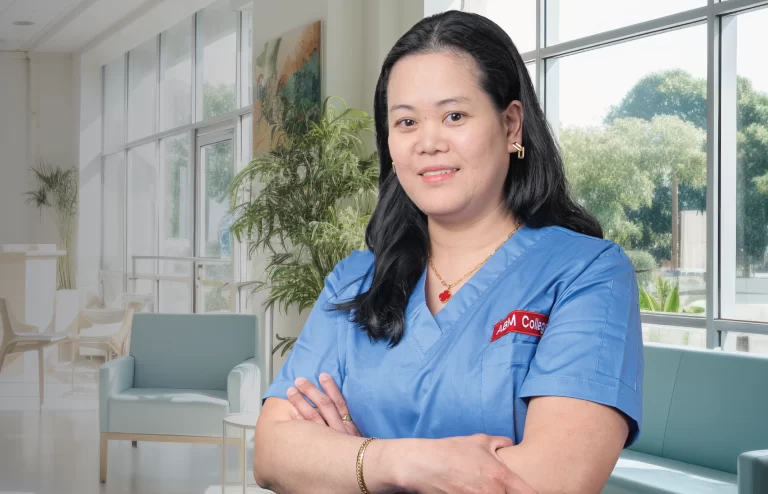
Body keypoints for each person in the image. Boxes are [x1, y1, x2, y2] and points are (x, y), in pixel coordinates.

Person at [253, 10, 643, 494]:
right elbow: (272, 452)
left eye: (454, 115)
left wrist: (352, 462)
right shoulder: (355, 280)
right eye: (406, 122)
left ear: (512, 125)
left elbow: (552, 481)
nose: (429, 142)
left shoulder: (586, 273)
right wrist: (405, 464)